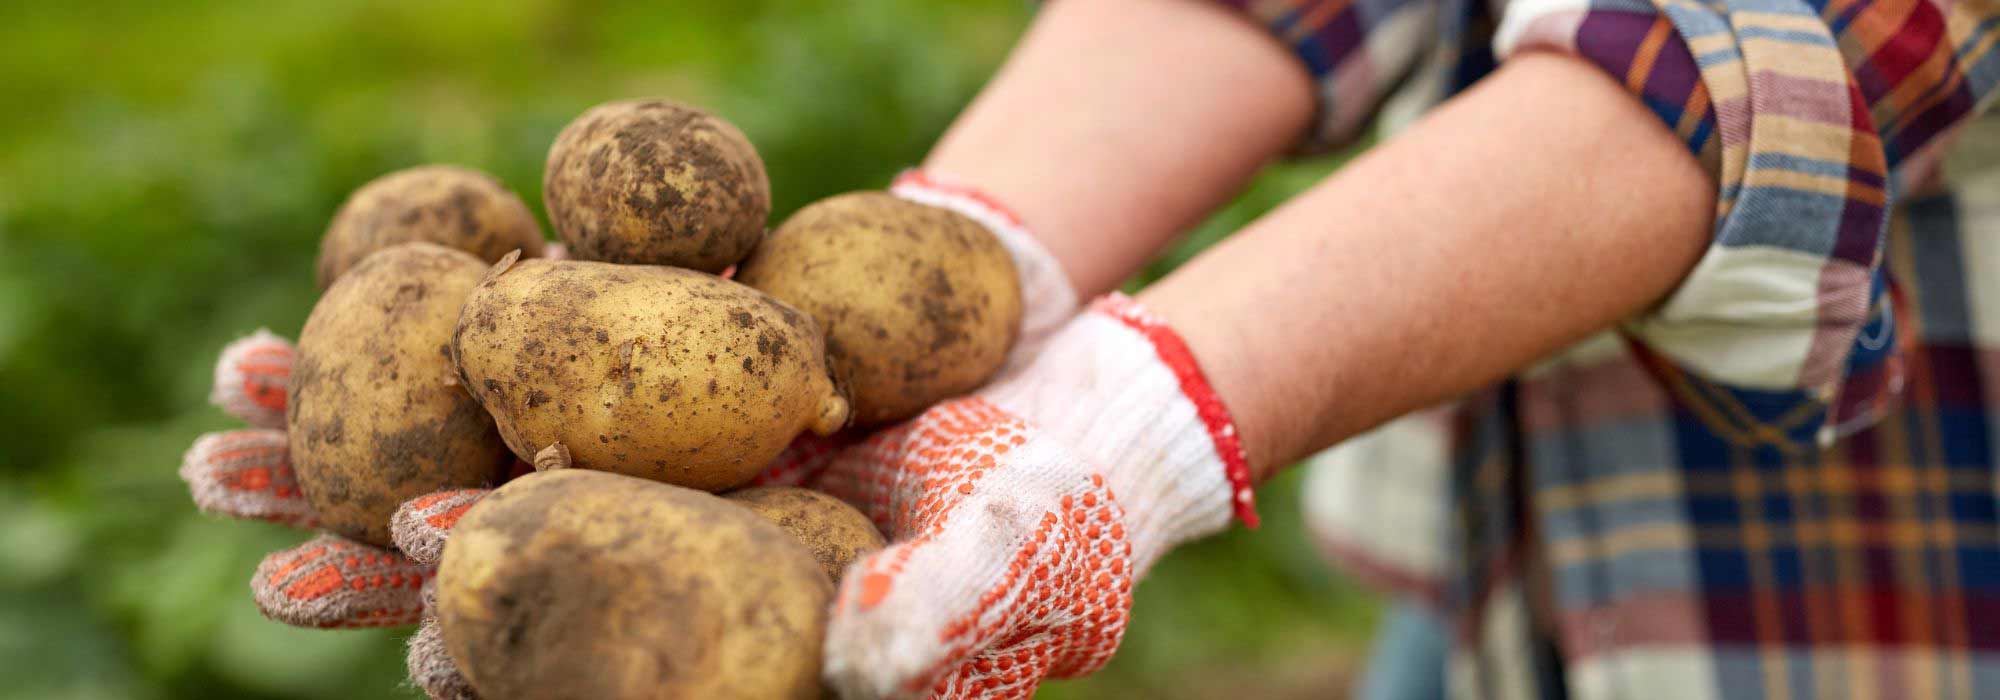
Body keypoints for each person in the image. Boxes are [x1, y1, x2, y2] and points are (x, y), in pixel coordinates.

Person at [183, 0, 2000, 697]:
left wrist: (1137, 417)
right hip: (1492, 593)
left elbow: (1786, 40)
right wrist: (1001, 249)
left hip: (1857, 625)